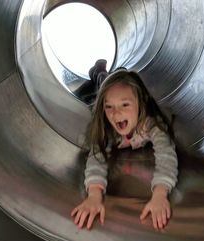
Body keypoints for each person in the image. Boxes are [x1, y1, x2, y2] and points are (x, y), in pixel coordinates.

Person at [71, 69, 178, 231]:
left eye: (125, 104)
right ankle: (99, 72)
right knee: (100, 87)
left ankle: (101, 72)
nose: (116, 113)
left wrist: (160, 194)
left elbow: (166, 154)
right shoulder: (106, 128)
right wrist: (94, 195)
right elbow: (96, 157)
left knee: (106, 84)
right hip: (101, 91)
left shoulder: (151, 124)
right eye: (109, 107)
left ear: (141, 103)